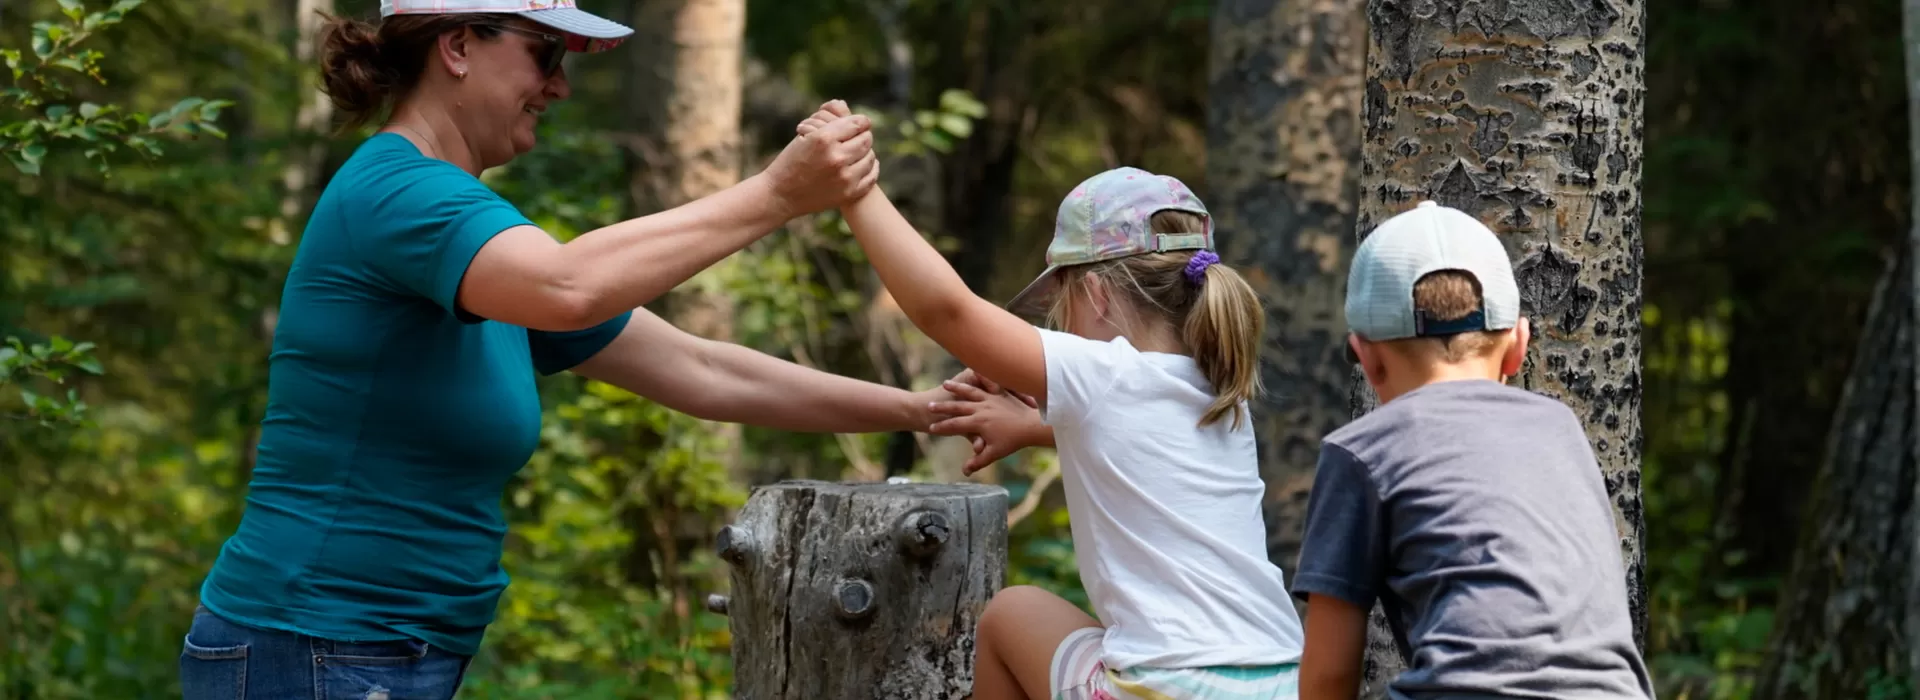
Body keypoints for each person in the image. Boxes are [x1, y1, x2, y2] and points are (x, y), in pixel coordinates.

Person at [176, 3, 961, 698]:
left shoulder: (475, 240)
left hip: (373, 649)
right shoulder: (398, 193)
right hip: (317, 642)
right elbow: (568, 285)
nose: (558, 87)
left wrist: (926, 409)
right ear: (456, 46)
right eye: (544, 55)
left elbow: (701, 368)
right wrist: (778, 195)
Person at [804, 108, 1307, 699]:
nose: (1058, 324)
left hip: (1169, 687)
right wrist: (1031, 425)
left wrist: (855, 191)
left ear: (1093, 293)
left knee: (1010, 615)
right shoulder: (1220, 391)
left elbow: (949, 311)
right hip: (1281, 679)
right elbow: (1148, 454)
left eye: (1059, 304)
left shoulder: (1105, 372)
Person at [1289, 201, 1655, 699]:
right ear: (1518, 345)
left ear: (1366, 357)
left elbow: (1330, 675)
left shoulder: (1361, 451)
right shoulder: (1561, 429)